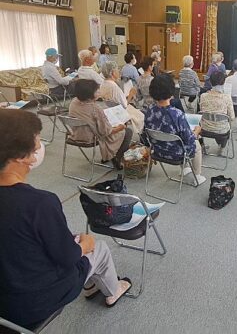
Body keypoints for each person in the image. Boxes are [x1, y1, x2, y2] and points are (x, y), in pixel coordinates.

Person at [0, 109, 131, 329]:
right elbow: (67, 257)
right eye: (37, 142)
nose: (40, 148)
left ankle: (91, 284)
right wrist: (84, 245)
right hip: (33, 303)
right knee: (97, 247)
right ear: (21, 157)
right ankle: (113, 290)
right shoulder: (40, 203)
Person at [144, 74, 206, 185]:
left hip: (158, 151)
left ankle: (186, 168)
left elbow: (146, 132)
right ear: (171, 91)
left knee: (179, 139)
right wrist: (196, 131)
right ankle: (197, 176)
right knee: (196, 144)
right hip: (176, 153)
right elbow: (189, 140)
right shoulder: (177, 114)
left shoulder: (149, 111)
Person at [69, 79, 132, 170]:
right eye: (97, 90)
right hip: (91, 137)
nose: (99, 91)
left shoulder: (74, 102)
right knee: (128, 131)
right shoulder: (95, 108)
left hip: (76, 134)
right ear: (89, 93)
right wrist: (121, 127)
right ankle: (117, 158)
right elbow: (106, 131)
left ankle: (109, 157)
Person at [200, 71, 235, 154]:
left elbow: (202, 111)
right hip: (222, 130)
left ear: (211, 82)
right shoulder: (227, 98)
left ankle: (202, 146)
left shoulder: (203, 96)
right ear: (223, 82)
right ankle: (222, 147)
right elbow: (232, 117)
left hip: (204, 128)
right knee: (224, 127)